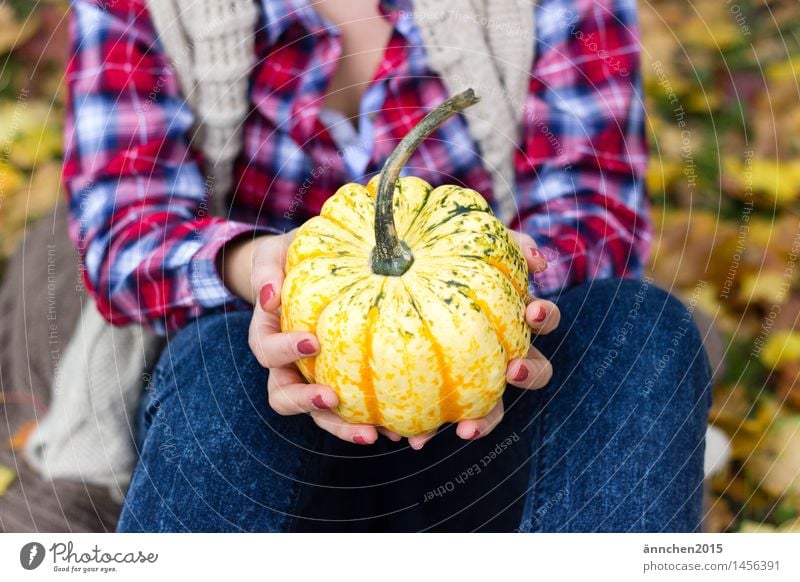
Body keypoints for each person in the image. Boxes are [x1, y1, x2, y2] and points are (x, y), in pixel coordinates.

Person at [62, 0, 711, 532]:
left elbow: (594, 211)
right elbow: (122, 229)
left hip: (496, 415)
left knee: (645, 330)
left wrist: (497, 296)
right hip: (265, 415)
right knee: (218, 361)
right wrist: (258, 270)